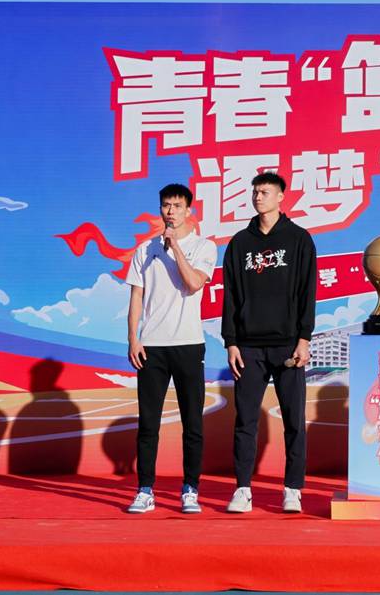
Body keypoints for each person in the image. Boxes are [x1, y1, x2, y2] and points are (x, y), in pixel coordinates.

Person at [221, 171, 317, 514]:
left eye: (265, 192)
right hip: (248, 346)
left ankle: (292, 489)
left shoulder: (299, 239)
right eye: (255, 192)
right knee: (245, 419)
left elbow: (308, 292)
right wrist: (231, 341)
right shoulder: (239, 243)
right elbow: (230, 295)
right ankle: (242, 489)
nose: (258, 197)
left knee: (294, 420)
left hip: (288, 344)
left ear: (280, 197)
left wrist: (304, 338)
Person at [125, 184, 216, 514]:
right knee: (148, 423)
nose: (170, 211)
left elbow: (193, 284)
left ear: (189, 210)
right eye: (166, 205)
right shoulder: (144, 250)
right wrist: (133, 338)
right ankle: (145, 489)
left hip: (188, 344)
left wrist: (174, 247)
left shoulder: (204, 247)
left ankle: (190, 488)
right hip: (152, 346)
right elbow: (136, 296)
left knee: (193, 423)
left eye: (177, 206)